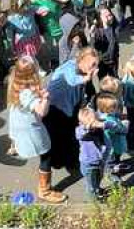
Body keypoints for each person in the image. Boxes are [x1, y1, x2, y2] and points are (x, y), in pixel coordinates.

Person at [6, 56, 64, 203]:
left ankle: (14, 146)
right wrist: (45, 98)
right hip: (29, 129)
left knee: (36, 148)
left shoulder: (15, 82)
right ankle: (44, 190)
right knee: (46, 154)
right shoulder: (26, 93)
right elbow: (41, 111)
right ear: (32, 74)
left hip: (18, 125)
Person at [43, 47, 97, 186]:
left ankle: (70, 161)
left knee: (69, 136)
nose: (95, 68)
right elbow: (73, 81)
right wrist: (86, 78)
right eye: (92, 64)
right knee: (57, 136)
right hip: (56, 108)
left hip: (70, 107)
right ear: (82, 60)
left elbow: (89, 91)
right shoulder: (69, 67)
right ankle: (57, 161)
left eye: (96, 64)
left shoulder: (85, 71)